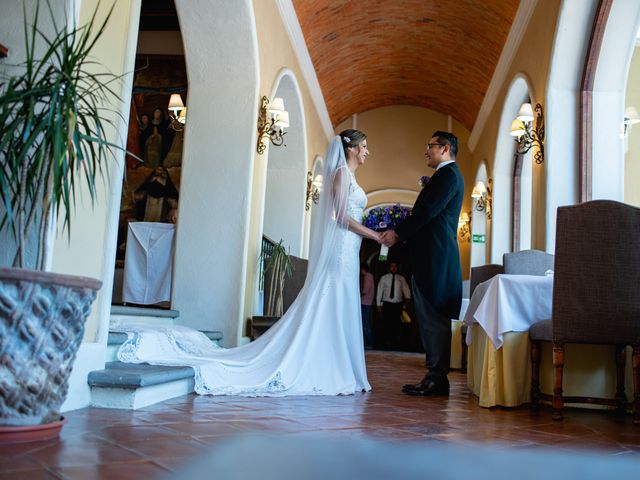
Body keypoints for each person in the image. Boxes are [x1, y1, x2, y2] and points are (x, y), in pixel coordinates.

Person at [116, 129, 383, 396]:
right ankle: (328, 364)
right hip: (341, 250)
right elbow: (340, 219)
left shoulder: (350, 176)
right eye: (365, 146)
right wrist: (376, 235)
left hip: (350, 250)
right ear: (351, 148)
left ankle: (340, 363)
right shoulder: (340, 175)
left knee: (341, 300)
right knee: (331, 299)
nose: (367, 151)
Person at [381, 131, 464, 396]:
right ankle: (435, 375)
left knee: (433, 314)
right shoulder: (446, 176)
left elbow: (427, 212)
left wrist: (398, 233)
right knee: (429, 315)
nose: (426, 150)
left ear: (445, 148)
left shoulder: (448, 175)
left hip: (435, 256)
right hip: (430, 255)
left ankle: (437, 377)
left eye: (430, 146)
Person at [376, 262, 410, 349]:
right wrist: (378, 306)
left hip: (398, 305)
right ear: (389, 268)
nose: (394, 268)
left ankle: (396, 342)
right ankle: (387, 342)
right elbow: (379, 292)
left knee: (397, 324)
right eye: (392, 266)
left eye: (395, 266)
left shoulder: (401, 279)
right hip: (387, 304)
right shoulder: (384, 278)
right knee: (387, 323)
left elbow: (407, 292)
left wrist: (406, 304)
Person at [359, 264, 375, 349]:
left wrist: (357, 295)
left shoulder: (368, 277)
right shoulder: (369, 276)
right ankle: (368, 342)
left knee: (365, 323)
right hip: (367, 302)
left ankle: (369, 343)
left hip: (365, 303)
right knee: (365, 323)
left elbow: (365, 290)